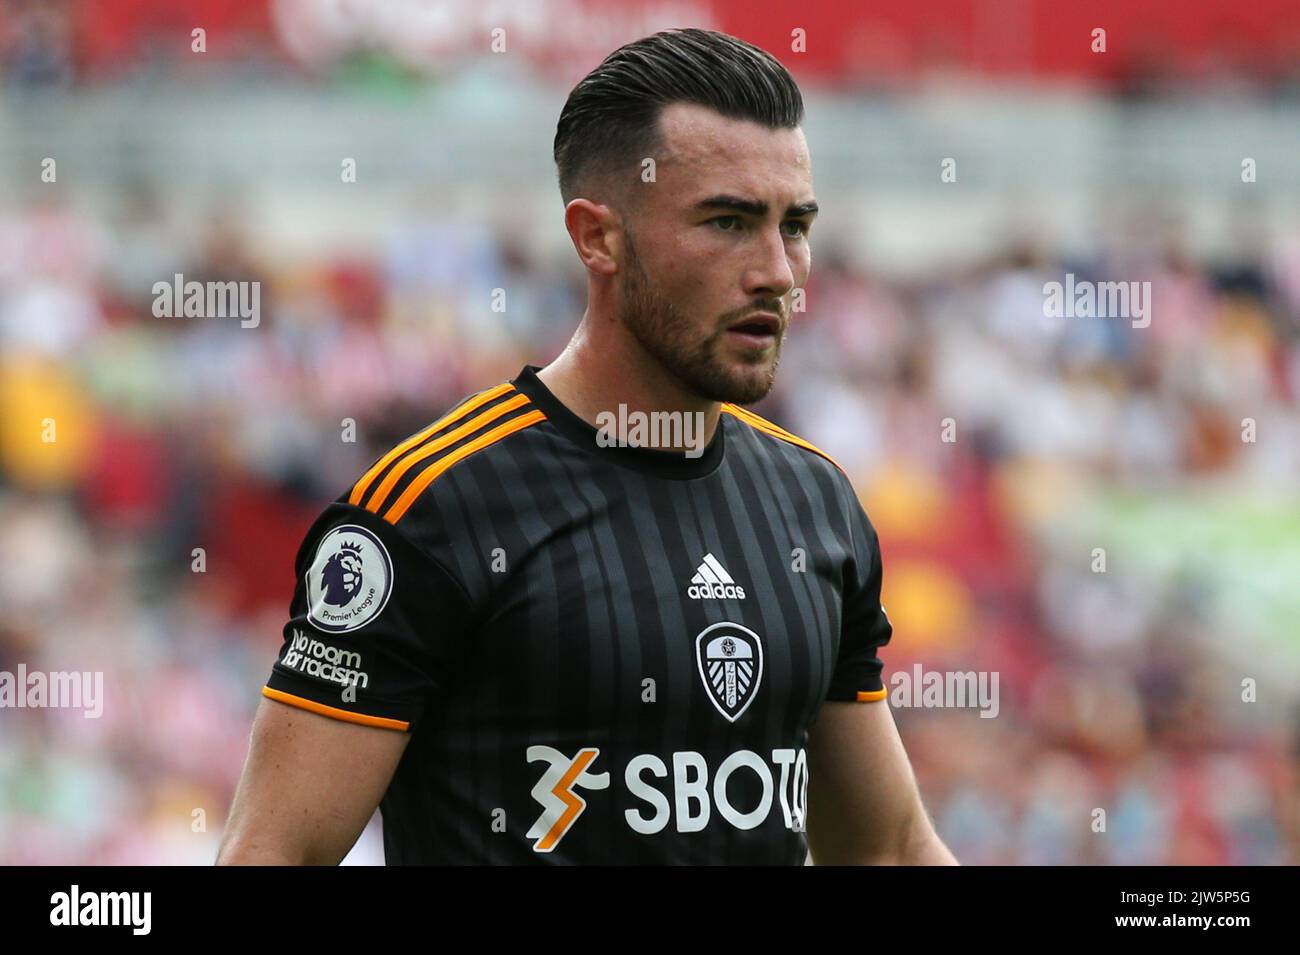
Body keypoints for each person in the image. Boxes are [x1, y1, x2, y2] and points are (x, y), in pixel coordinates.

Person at [217, 27, 956, 865]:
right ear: (597, 237)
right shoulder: (430, 509)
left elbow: (888, 847)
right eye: (728, 221)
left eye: (794, 226)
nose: (777, 272)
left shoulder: (814, 503)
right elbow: (272, 852)